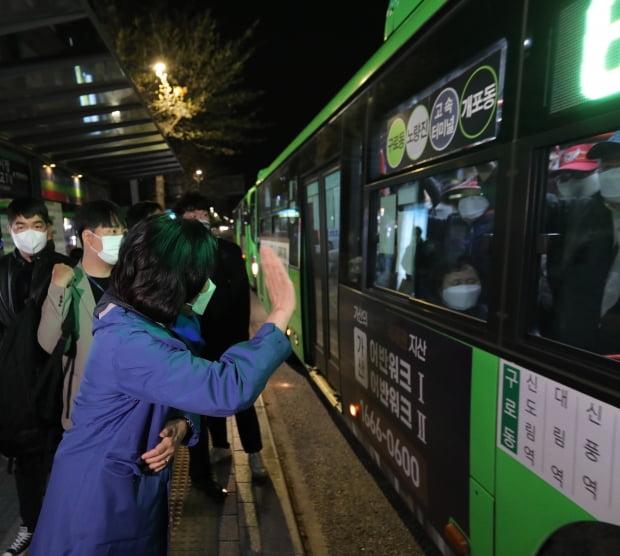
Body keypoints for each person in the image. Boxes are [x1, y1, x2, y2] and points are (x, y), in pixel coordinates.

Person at [28, 215, 295, 555]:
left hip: (120, 490)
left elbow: (177, 384)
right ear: (177, 278)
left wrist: (181, 425)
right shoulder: (130, 341)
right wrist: (282, 310)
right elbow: (226, 387)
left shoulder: (136, 318)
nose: (208, 283)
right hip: (96, 507)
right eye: (203, 274)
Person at [174, 193, 269, 482]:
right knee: (210, 397)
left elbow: (240, 298)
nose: (197, 218)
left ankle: (254, 454)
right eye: (190, 213)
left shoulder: (227, 250)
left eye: (201, 212)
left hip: (231, 336)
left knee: (242, 398)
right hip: (197, 340)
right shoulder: (176, 255)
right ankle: (221, 446)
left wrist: (242, 341)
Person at [0, 197, 73, 556]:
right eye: (20, 227)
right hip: (16, 381)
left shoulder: (66, 268)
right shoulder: (1, 271)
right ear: (10, 230)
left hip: (59, 379)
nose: (28, 234)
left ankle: (67, 527)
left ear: (49, 229)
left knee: (63, 455)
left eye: (36, 226)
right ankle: (30, 525)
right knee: (26, 458)